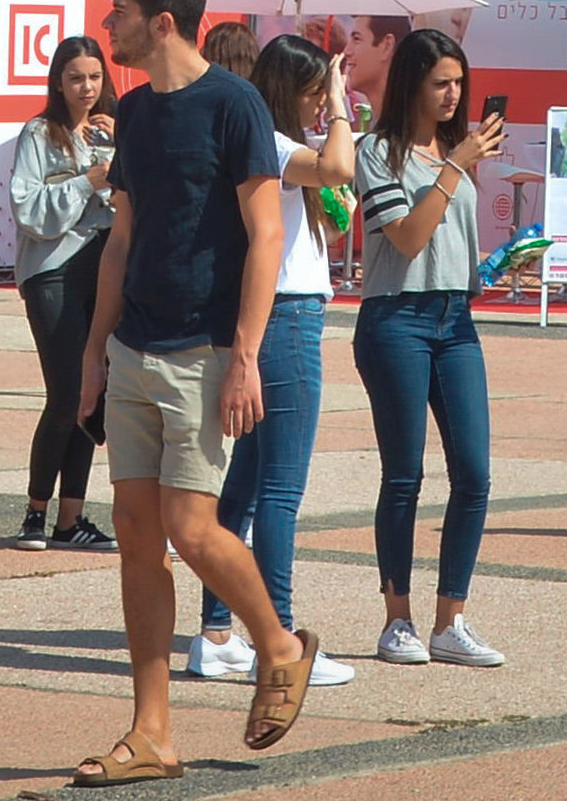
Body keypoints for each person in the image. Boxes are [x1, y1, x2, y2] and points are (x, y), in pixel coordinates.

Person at [70, 0, 314, 785]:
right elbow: (122, 240)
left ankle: (278, 644)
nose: (109, 24)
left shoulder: (234, 104)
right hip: (134, 349)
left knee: (192, 527)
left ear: (163, 21)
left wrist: (246, 354)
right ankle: (152, 734)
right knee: (137, 537)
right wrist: (95, 353)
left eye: (120, 10)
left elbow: (267, 235)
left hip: (206, 351)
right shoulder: (135, 111)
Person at [192, 35, 359, 689]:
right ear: (293, 90)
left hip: (279, 314)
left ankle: (216, 633)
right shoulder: (277, 144)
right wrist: (341, 103)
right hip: (288, 317)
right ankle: (280, 639)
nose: (323, 103)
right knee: (281, 492)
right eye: (315, 92)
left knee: (245, 488)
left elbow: (333, 203)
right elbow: (338, 168)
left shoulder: (267, 143)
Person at [352, 30, 501, 667]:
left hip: (455, 317)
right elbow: (408, 238)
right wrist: (455, 167)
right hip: (396, 318)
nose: (453, 94)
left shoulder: (451, 151)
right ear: (412, 82)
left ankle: (451, 621)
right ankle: (397, 620)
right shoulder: (376, 151)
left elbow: (448, 236)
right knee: (404, 475)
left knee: (475, 473)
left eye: (459, 82)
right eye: (441, 82)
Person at [11, 34, 120, 552]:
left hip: (105, 269)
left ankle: (70, 520)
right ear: (58, 82)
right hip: (52, 271)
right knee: (66, 392)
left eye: (95, 77)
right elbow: (28, 210)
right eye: (76, 78)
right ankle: (35, 512)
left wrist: (125, 149)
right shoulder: (39, 133)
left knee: (92, 395)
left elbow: (137, 200)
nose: (86, 87)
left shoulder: (110, 133)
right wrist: (87, 181)